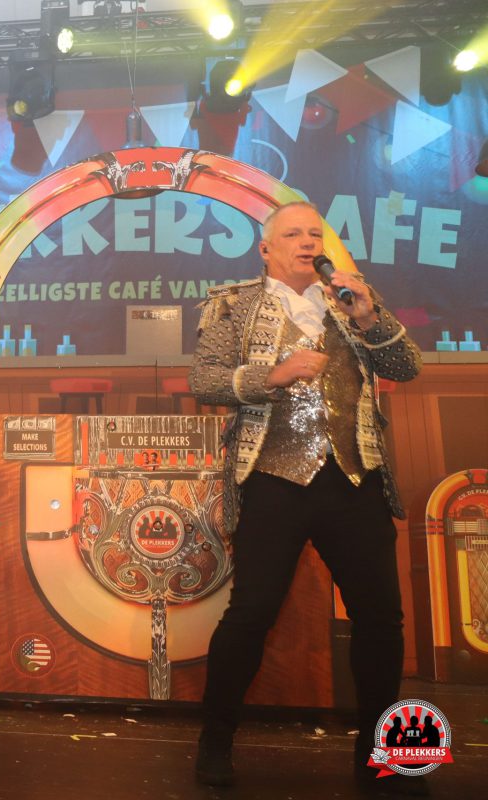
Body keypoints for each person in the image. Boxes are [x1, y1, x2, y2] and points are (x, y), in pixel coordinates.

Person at [188, 203, 425, 794]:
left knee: (380, 618)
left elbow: (406, 366)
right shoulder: (233, 305)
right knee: (251, 613)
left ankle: (383, 755)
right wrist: (272, 375)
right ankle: (215, 741)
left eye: (314, 234)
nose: (306, 242)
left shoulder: (352, 301)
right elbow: (205, 380)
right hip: (273, 480)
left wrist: (369, 316)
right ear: (265, 249)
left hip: (355, 478)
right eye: (292, 234)